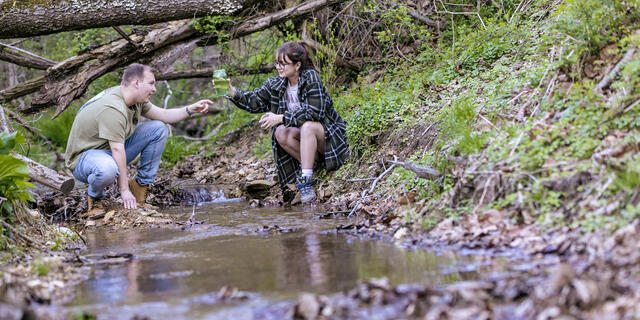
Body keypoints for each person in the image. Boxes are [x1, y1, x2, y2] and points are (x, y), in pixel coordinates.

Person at [65, 63, 213, 215]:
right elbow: (117, 149)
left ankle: (140, 189)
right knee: (107, 169)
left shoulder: (135, 99)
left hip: (108, 152)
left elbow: (164, 115)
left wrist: (190, 109)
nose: (154, 89)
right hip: (84, 159)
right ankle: (95, 199)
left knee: (159, 128)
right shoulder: (113, 108)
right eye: (151, 83)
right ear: (137, 83)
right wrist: (124, 190)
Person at [216, 42, 348, 203]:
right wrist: (231, 91)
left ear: (297, 65)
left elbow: (315, 112)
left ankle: (306, 181)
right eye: (277, 63)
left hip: (329, 138)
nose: (279, 67)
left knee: (306, 126)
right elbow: (253, 101)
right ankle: (315, 167)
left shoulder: (310, 77)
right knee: (280, 132)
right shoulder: (277, 84)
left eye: (283, 63)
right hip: (305, 141)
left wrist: (281, 118)